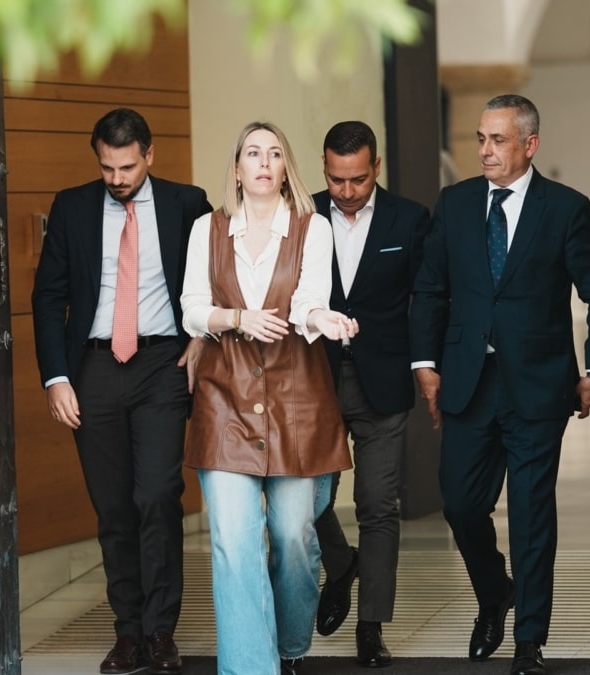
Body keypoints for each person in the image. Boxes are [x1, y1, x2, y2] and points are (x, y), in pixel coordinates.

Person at [409, 94, 590, 675]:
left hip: (538, 388)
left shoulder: (565, 209)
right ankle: (494, 591)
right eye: (480, 139)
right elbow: (430, 288)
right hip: (468, 385)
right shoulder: (454, 205)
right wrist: (424, 363)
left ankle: (529, 642)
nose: (484, 151)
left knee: (532, 515)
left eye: (497, 140)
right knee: (459, 503)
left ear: (529, 144)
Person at [32, 108, 212, 675]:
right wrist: (56, 377)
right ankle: (127, 632)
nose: (117, 178)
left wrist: (201, 339)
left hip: (163, 362)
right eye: (107, 167)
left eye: (127, 166)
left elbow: (215, 279)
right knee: (113, 508)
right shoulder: (73, 207)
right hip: (94, 366)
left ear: (149, 155)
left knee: (157, 495)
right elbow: (47, 297)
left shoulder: (189, 205)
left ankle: (161, 631)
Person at [180, 121, 358, 675]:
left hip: (297, 397)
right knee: (235, 543)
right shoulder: (205, 229)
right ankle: (252, 668)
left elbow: (307, 299)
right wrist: (237, 318)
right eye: (253, 153)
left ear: (286, 168)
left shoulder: (313, 227)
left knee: (292, 536)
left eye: (275, 153)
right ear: (236, 168)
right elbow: (190, 307)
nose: (263, 162)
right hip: (223, 396)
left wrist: (323, 319)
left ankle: (289, 646)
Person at [309, 121, 430, 668]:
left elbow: (427, 299)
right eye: (336, 179)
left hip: (383, 380)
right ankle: (340, 564)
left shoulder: (410, 219)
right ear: (324, 168)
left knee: (378, 506)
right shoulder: (302, 213)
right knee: (308, 502)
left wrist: (426, 365)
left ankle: (370, 625)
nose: (347, 191)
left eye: (357, 179)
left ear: (375, 168)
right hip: (314, 380)